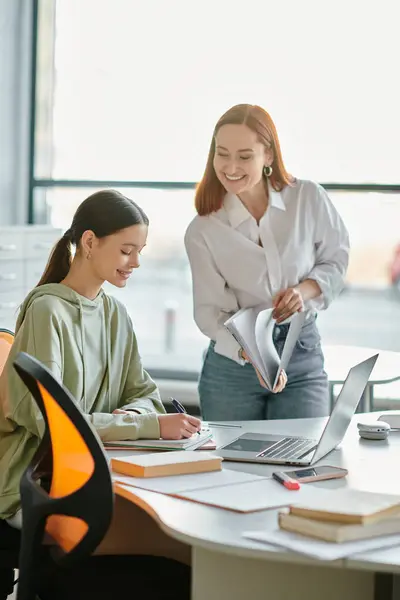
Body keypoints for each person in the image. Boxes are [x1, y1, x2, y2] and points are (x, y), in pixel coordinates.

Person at [0, 189, 197, 599]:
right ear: (89, 243)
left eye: (140, 251)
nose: (136, 262)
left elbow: (143, 392)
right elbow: (53, 423)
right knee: (177, 548)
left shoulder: (114, 313)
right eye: (127, 250)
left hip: (94, 469)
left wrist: (133, 417)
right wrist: (144, 424)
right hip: (38, 482)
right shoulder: (46, 311)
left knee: (181, 543)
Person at [185, 104, 350, 422]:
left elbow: (336, 258)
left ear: (269, 156)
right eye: (223, 154)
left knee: (303, 460)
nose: (231, 166)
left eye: (245, 156)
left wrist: (303, 291)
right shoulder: (203, 230)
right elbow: (208, 313)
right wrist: (254, 355)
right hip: (234, 365)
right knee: (233, 469)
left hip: (301, 354)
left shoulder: (308, 198)